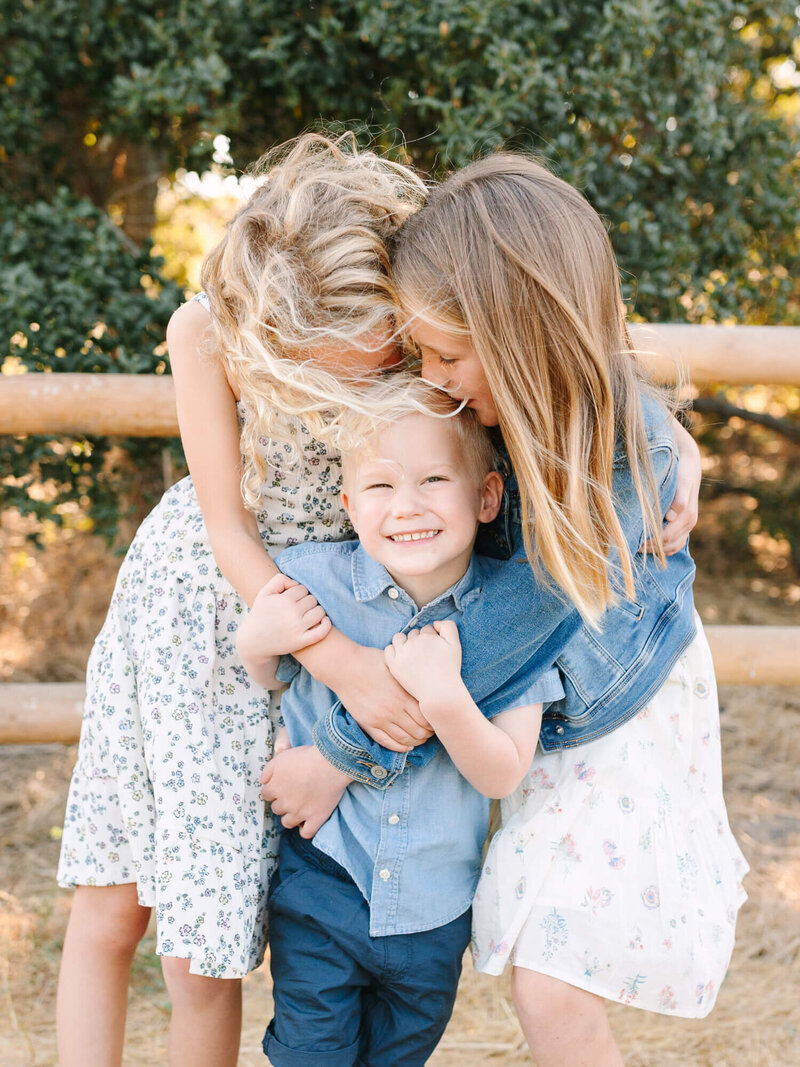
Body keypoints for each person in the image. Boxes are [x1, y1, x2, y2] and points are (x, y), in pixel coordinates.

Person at [54, 132, 429, 1067]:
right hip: (198, 613)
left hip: (326, 606)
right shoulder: (206, 329)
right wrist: (339, 663)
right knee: (113, 897)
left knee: (207, 944)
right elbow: (226, 523)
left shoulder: (418, 325)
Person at [385, 153, 749, 1066]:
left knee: (550, 973)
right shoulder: (513, 405)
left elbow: (507, 629)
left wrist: (353, 727)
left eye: (447, 354)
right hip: (559, 723)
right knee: (545, 972)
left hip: (628, 721)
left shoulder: (620, 464)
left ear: (523, 334)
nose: (431, 377)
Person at [239, 381, 566, 1066]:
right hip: (324, 882)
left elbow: (504, 768)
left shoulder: (517, 616)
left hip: (434, 908)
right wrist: (257, 641)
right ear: (349, 505)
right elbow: (272, 679)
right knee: (310, 1055)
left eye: (434, 480)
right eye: (381, 486)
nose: (407, 505)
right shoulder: (310, 581)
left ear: (487, 496)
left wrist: (446, 697)